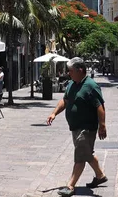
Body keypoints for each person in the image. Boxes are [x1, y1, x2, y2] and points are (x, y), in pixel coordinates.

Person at [46, 57, 107, 197]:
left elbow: (100, 106)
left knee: (80, 155)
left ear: (80, 70)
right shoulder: (72, 84)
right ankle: (100, 175)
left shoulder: (91, 86)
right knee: (86, 153)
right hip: (75, 127)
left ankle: (70, 185)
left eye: (71, 71)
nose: (69, 73)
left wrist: (102, 125)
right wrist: (54, 113)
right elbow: (65, 100)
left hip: (87, 127)